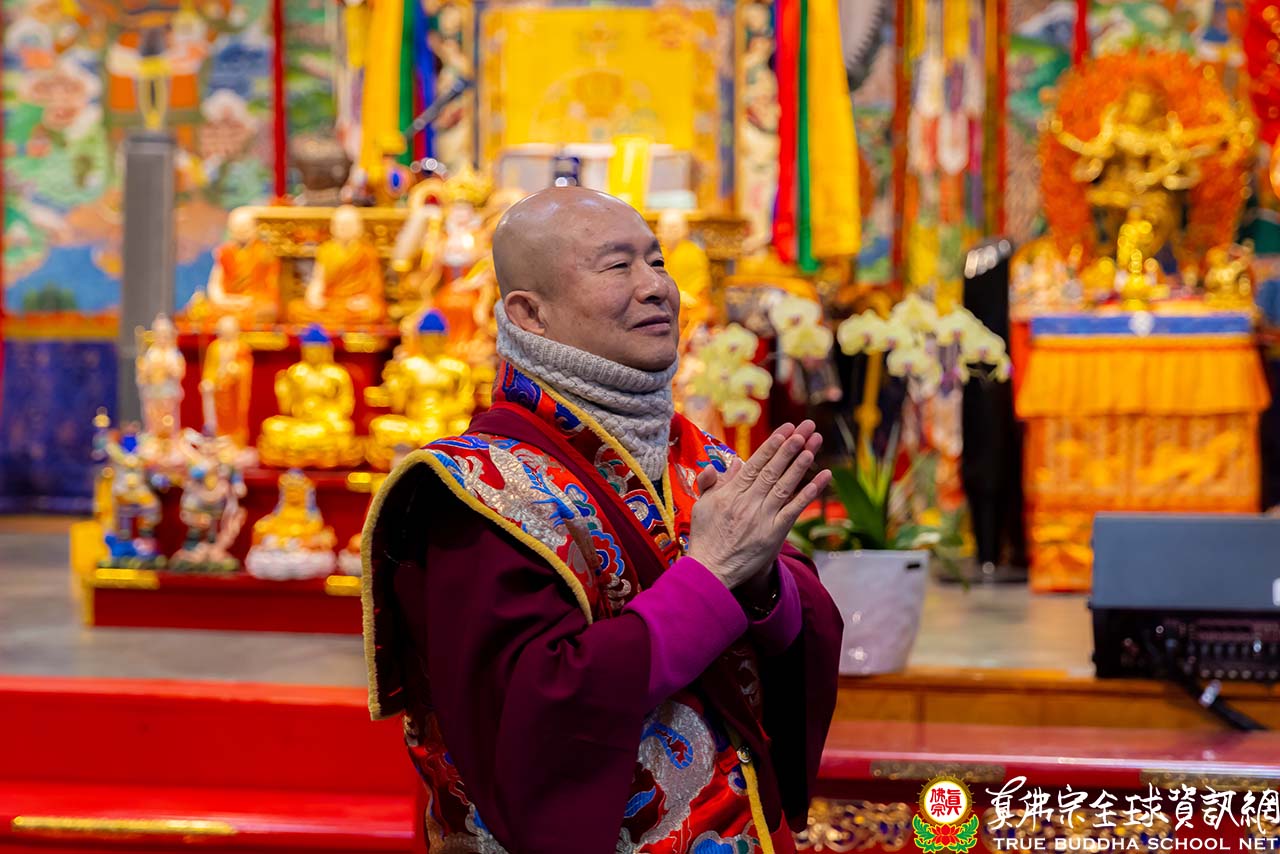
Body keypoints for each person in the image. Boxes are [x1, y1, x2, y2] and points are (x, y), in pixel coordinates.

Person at [362, 187, 843, 853]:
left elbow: (798, 629)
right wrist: (710, 578)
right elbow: (536, 713)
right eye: (618, 266)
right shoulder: (475, 492)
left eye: (659, 262)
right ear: (529, 313)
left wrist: (761, 581)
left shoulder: (700, 458)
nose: (656, 288)